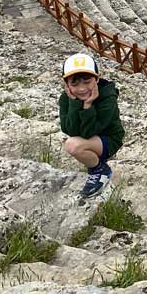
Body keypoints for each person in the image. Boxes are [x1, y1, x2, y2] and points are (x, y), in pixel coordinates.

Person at [59, 53, 124, 198]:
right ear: (67, 84)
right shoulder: (66, 99)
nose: (82, 89)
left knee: (73, 145)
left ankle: (100, 170)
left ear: (97, 78)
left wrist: (88, 106)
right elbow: (69, 129)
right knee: (73, 142)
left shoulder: (107, 97)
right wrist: (75, 104)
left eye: (87, 82)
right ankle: (97, 165)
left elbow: (90, 132)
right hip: (89, 137)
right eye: (74, 84)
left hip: (109, 139)